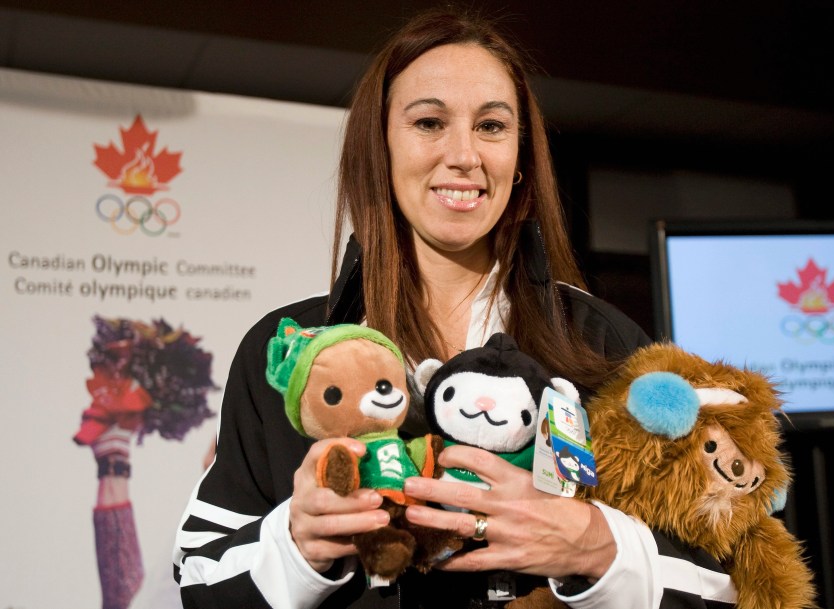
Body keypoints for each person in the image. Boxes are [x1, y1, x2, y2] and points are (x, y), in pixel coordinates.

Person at [173, 7, 737, 608]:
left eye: (492, 126)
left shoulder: (602, 344)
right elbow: (198, 579)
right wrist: (297, 545)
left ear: (520, 161)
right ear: (380, 148)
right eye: (429, 122)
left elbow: (728, 579)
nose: (463, 154)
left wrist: (598, 548)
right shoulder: (292, 353)